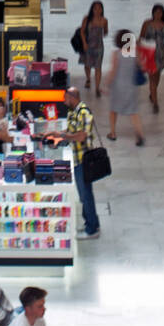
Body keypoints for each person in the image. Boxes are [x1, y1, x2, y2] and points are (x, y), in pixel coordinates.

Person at [64, 85, 100, 240]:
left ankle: (92, 229)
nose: (64, 101)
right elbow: (71, 132)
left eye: (66, 98)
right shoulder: (72, 112)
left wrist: (64, 136)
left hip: (84, 160)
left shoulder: (84, 113)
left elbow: (81, 136)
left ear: (73, 97)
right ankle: (90, 223)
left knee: (86, 194)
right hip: (76, 158)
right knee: (83, 194)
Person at [106, 29, 145, 145]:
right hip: (131, 86)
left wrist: (107, 84)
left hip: (118, 86)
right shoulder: (135, 53)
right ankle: (139, 135)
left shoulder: (117, 54)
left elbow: (113, 71)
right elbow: (142, 66)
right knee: (133, 112)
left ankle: (113, 133)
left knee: (113, 110)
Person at [139, 3, 164, 112]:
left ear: (163, 14)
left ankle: (152, 93)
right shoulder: (147, 23)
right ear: (153, 13)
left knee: (157, 76)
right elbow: (141, 37)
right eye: (156, 12)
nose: (158, 14)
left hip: (160, 53)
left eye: (160, 12)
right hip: (149, 53)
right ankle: (155, 103)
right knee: (152, 77)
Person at [78, 0, 108, 96]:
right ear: (92, 9)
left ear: (102, 10)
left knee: (98, 67)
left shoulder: (104, 20)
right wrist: (84, 43)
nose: (97, 10)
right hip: (87, 46)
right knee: (87, 65)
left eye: (99, 8)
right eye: (95, 8)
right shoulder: (86, 19)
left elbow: (105, 32)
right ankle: (88, 79)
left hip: (99, 47)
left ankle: (97, 88)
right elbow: (82, 31)